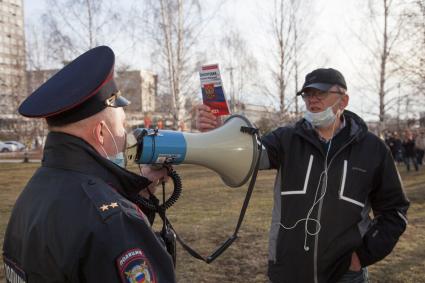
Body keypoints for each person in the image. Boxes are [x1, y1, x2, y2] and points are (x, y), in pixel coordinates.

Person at [196, 68, 409, 283]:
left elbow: (394, 211)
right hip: (288, 271)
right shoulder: (286, 139)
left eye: (321, 94)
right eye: (307, 94)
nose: (312, 101)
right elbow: (250, 156)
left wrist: (361, 257)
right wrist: (219, 135)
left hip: (345, 275)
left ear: (343, 100)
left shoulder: (373, 149)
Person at [3, 46, 176, 282]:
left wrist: (141, 192)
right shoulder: (113, 222)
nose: (125, 133)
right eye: (122, 125)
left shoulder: (32, 195)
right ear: (101, 133)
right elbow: (102, 231)